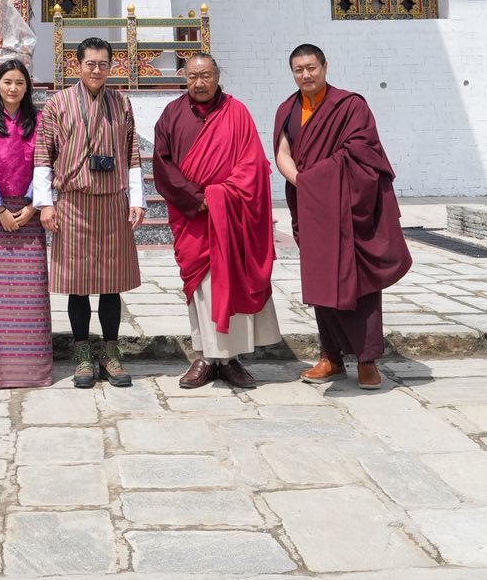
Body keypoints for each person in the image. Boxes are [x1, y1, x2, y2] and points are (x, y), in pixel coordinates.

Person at [274, 43, 412, 391]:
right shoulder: (287, 110)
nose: (305, 75)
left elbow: (363, 156)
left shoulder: (350, 106)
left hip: (349, 208)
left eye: (311, 68)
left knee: (360, 283)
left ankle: (367, 361)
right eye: (298, 70)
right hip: (312, 208)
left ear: (324, 66)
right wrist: (304, 184)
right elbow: (282, 152)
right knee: (322, 279)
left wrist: (313, 181)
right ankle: (330, 356)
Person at [151, 52, 279, 390]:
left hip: (231, 216)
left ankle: (230, 359)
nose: (199, 82)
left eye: (206, 75)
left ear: (217, 76)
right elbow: (162, 165)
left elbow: (253, 164)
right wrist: (197, 199)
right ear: (184, 78)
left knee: (230, 281)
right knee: (201, 287)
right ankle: (206, 357)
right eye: (193, 77)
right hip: (193, 218)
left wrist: (221, 196)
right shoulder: (172, 115)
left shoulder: (236, 113)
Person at [35, 35, 145, 389]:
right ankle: (82, 354)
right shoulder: (57, 104)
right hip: (73, 203)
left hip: (113, 202)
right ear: (76, 66)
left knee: (113, 284)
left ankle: (111, 354)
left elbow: (132, 154)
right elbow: (42, 155)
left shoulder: (121, 103)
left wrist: (137, 199)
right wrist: (45, 202)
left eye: (102, 64)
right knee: (77, 285)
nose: (96, 70)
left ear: (111, 66)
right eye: (89, 64)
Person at [0, 59, 53, 388]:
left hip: (29, 217)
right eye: (7, 82)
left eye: (19, 82)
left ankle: (35, 371)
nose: (13, 88)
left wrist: (32, 206)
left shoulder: (41, 123)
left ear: (27, 87)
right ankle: (3, 371)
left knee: (31, 297)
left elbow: (48, 164)